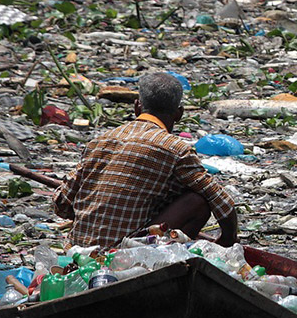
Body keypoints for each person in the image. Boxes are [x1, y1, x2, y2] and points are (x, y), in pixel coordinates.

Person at [53, 72, 239, 249]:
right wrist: (228, 240)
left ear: (137, 107)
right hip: (124, 255)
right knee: (197, 201)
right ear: (179, 114)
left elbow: (61, 203)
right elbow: (221, 200)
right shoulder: (175, 148)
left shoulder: (99, 141)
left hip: (78, 251)